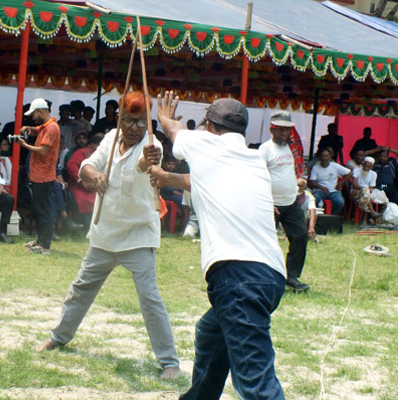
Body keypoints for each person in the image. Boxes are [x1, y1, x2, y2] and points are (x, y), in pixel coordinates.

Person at [150, 93, 287, 399]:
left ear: (209, 127)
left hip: (238, 276)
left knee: (256, 384)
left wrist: (165, 119)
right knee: (211, 333)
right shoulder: (252, 159)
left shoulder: (205, 144)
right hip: (270, 276)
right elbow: (199, 181)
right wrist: (163, 177)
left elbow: (175, 132)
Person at [37, 91, 183, 380]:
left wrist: (145, 161)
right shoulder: (111, 137)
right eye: (128, 121)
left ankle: (170, 362)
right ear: (119, 118)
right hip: (105, 233)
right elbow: (88, 164)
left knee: (149, 298)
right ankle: (59, 337)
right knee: (81, 287)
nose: (133, 129)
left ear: (148, 122)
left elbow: (139, 170)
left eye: (140, 122)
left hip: (138, 235)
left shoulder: (153, 147)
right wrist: (92, 176)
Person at [259, 111, 310, 292]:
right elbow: (258, 177)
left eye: (286, 130)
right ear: (272, 129)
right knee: (267, 243)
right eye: (280, 130)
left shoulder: (293, 147)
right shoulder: (265, 149)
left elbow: (300, 168)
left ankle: (292, 276)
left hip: (291, 202)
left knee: (300, 236)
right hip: (270, 204)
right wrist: (267, 201)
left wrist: (302, 179)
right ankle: (265, 278)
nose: (283, 134)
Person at [18, 98, 60, 254]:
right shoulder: (46, 126)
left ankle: (45, 245)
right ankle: (40, 240)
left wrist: (25, 145)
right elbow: (38, 129)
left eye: (34, 113)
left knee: (45, 210)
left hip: (44, 175)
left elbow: (43, 150)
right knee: (40, 209)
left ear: (41, 111)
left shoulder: (51, 128)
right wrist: (29, 128)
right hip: (39, 175)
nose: (32, 117)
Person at [65, 133, 102, 226]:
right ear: (91, 144)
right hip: (79, 187)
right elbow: (71, 165)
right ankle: (84, 227)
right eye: (98, 144)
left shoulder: (104, 155)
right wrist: (81, 180)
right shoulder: (83, 152)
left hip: (96, 187)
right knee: (83, 200)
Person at [309, 148, 352, 215]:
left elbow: (349, 173)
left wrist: (341, 183)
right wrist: (322, 187)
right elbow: (312, 181)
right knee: (315, 199)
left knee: (340, 202)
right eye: (322, 156)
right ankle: (317, 215)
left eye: (326, 156)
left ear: (330, 157)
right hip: (319, 191)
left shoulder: (335, 166)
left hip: (333, 191)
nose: (324, 158)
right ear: (319, 157)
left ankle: (330, 216)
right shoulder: (316, 167)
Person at [351, 156, 381, 223]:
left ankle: (365, 219)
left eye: (368, 167)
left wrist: (366, 190)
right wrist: (364, 189)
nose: (366, 168)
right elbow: (354, 185)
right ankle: (370, 214)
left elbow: (372, 187)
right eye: (365, 166)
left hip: (366, 194)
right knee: (367, 194)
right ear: (362, 164)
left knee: (366, 196)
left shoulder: (374, 174)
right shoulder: (356, 170)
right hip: (356, 192)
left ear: (372, 167)